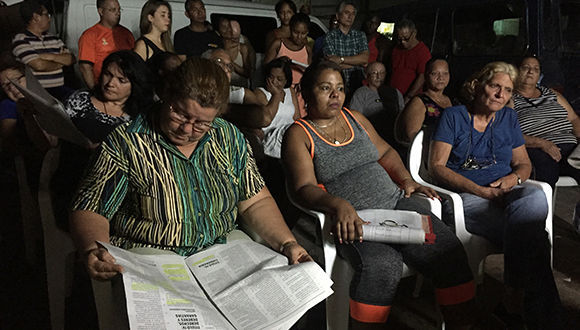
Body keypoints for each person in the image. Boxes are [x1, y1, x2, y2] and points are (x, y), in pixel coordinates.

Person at [69, 57, 312, 281]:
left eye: (202, 124)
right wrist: (93, 249)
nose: (187, 130)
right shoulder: (127, 142)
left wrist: (288, 243)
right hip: (152, 254)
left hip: (221, 250)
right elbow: (91, 207)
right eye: (180, 115)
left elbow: (254, 200)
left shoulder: (227, 137)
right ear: (166, 96)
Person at [283, 60, 476, 329]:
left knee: (448, 251)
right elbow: (302, 188)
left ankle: (462, 324)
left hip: (397, 204)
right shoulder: (299, 134)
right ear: (306, 93)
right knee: (382, 266)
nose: (335, 95)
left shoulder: (356, 119)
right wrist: (337, 204)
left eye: (339, 88)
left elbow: (385, 152)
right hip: (356, 220)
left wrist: (407, 180)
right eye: (325, 88)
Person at [429, 61, 563, 329]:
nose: (501, 95)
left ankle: (512, 297)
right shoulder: (453, 116)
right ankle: (529, 311)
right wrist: (480, 190)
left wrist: (513, 179)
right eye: (495, 86)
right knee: (534, 237)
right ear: (478, 85)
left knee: (535, 198)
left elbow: (524, 165)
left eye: (508, 90)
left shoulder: (508, 119)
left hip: (508, 191)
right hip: (469, 197)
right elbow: (436, 168)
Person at [513, 55, 580, 188]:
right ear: (516, 71)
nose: (531, 72)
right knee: (545, 165)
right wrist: (541, 143)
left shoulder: (552, 94)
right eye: (526, 68)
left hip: (569, 148)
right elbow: (507, 133)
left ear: (540, 75)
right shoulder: (509, 99)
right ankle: (542, 207)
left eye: (535, 69)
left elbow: (574, 119)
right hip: (538, 147)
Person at [64, 51, 153, 143]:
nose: (110, 83)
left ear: (135, 85)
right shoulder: (79, 100)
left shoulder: (141, 117)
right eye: (107, 74)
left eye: (121, 80)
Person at [12, 0, 75, 100]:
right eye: (46, 15)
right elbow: (39, 65)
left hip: (60, 90)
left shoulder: (54, 39)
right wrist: (60, 63)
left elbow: (71, 59)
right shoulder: (21, 40)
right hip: (38, 93)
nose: (49, 19)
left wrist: (49, 56)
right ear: (36, 17)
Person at [78, 0, 135, 89]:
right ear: (101, 11)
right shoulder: (90, 35)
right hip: (104, 87)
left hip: (125, 88)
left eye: (119, 10)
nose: (118, 13)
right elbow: (85, 67)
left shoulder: (127, 33)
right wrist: (94, 90)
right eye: (112, 10)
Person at [264, 13, 311, 117]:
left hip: (299, 93)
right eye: (296, 32)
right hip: (280, 91)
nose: (299, 36)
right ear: (290, 28)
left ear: (307, 32)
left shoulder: (307, 49)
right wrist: (280, 61)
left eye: (303, 33)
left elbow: (310, 73)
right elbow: (265, 67)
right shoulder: (278, 44)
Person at [397, 58, 453, 144]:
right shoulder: (419, 101)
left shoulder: (451, 100)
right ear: (426, 76)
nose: (440, 78)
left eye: (445, 73)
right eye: (434, 73)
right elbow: (412, 136)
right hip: (427, 151)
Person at [322, 1, 368, 96]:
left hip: (357, 85)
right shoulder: (329, 37)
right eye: (347, 13)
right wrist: (357, 63)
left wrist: (341, 59)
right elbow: (332, 64)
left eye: (353, 14)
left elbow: (364, 59)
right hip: (337, 85)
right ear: (338, 16)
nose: (350, 16)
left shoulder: (360, 35)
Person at [258, 57, 299, 159]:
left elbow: (297, 118)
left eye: (279, 79)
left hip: (291, 135)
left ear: (286, 81)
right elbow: (265, 120)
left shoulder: (290, 91)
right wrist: (276, 94)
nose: (274, 82)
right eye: (271, 77)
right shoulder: (261, 93)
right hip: (272, 137)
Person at [390, 18, 431, 104]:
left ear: (414, 33)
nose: (403, 42)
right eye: (400, 39)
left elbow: (422, 76)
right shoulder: (396, 49)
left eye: (406, 38)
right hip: (393, 96)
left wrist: (409, 96)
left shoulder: (422, 51)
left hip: (410, 99)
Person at [214, 16, 253, 88]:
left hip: (240, 89)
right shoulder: (217, 50)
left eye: (229, 26)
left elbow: (248, 73)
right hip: (223, 88)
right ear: (218, 31)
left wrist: (231, 64)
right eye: (223, 27)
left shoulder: (242, 48)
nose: (228, 29)